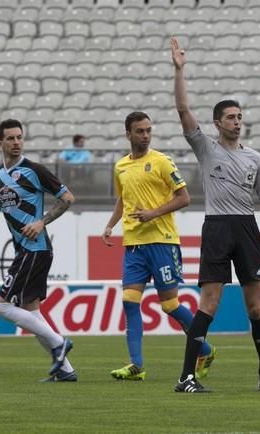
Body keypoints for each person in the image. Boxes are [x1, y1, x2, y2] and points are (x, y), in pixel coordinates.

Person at [170, 37, 260, 393]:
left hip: (247, 228)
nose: (237, 122)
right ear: (217, 123)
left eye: (240, 117)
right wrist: (180, 71)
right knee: (209, 302)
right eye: (231, 118)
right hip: (218, 227)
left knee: (256, 306)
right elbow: (182, 112)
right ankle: (186, 376)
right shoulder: (206, 148)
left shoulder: (255, 158)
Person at [101, 111, 216, 381]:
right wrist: (110, 225)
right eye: (139, 131)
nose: (145, 135)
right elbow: (123, 200)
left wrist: (153, 213)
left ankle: (206, 350)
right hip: (133, 245)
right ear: (128, 133)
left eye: (148, 130)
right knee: (129, 301)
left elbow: (185, 197)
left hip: (162, 242)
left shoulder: (162, 162)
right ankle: (136, 365)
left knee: (170, 305)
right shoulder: (120, 167)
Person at [0, 119, 77, 383]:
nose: (16, 143)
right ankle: (66, 370)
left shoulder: (34, 170)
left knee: (2, 307)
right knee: (31, 311)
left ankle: (59, 343)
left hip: (35, 249)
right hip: (24, 250)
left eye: (19, 138)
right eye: (11, 138)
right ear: (0, 142)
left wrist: (41, 222)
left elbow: (68, 198)